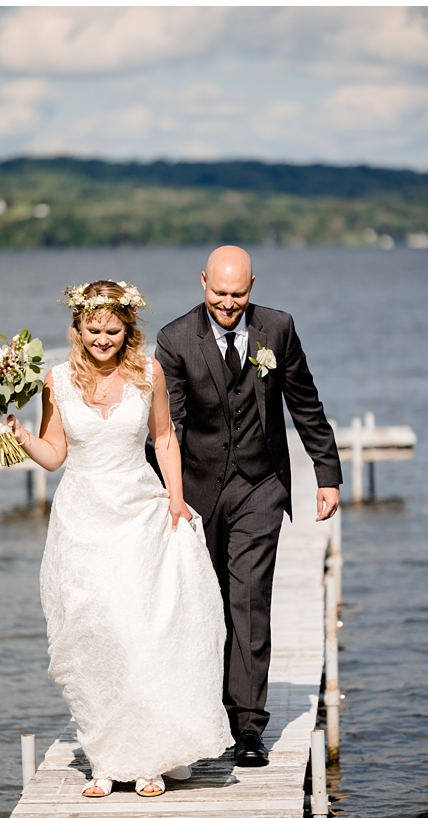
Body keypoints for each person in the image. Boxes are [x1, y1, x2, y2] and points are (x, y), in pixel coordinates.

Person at [0, 280, 231, 798]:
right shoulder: (55, 381)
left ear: (128, 330)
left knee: (141, 633)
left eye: (113, 331)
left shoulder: (148, 372)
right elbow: (55, 453)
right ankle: (104, 758)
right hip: (82, 524)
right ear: (77, 328)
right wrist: (18, 436)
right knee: (93, 638)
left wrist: (175, 497)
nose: (103, 339)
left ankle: (146, 759)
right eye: (93, 329)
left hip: (139, 515)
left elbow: (164, 437)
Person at [152, 246, 342, 767]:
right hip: (196, 492)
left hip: (261, 486)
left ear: (253, 285)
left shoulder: (277, 330)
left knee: (251, 602)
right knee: (204, 606)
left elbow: (305, 403)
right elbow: (168, 429)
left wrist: (327, 474)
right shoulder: (174, 341)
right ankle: (203, 714)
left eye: (238, 295)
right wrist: (168, 496)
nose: (228, 304)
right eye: (218, 294)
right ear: (202, 283)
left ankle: (250, 726)